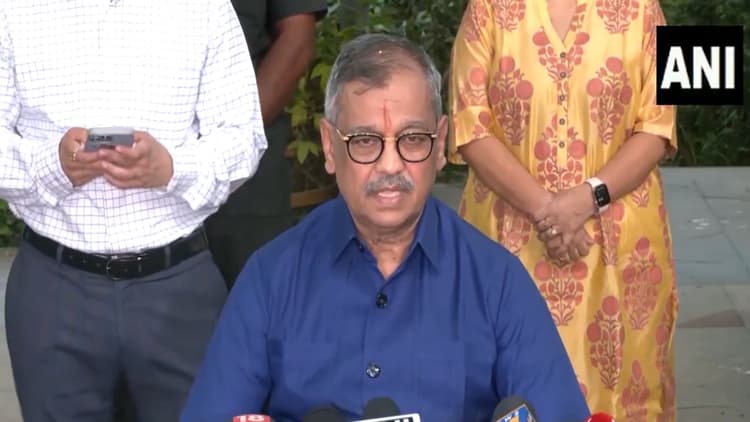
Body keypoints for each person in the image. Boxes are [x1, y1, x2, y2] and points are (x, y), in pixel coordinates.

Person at [179, 33, 590, 422]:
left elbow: (556, 411)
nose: (390, 165)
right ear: (329, 147)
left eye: (412, 139)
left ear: (440, 143)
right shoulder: (271, 277)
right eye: (364, 141)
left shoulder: (496, 281)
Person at [0, 0, 266, 420]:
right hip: (54, 289)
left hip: (177, 287)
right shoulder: (13, 9)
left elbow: (243, 137)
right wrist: (53, 166)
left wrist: (172, 168)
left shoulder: (205, 8)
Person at [448, 0, 678, 419]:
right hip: (508, 245)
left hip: (620, 250)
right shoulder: (486, 9)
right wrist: (548, 210)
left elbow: (660, 126)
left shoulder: (646, 9)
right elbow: (468, 126)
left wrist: (586, 198)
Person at [204, 0, 328, 288]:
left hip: (243, 181)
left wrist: (236, 141)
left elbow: (297, 39)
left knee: (256, 300)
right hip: (137, 178)